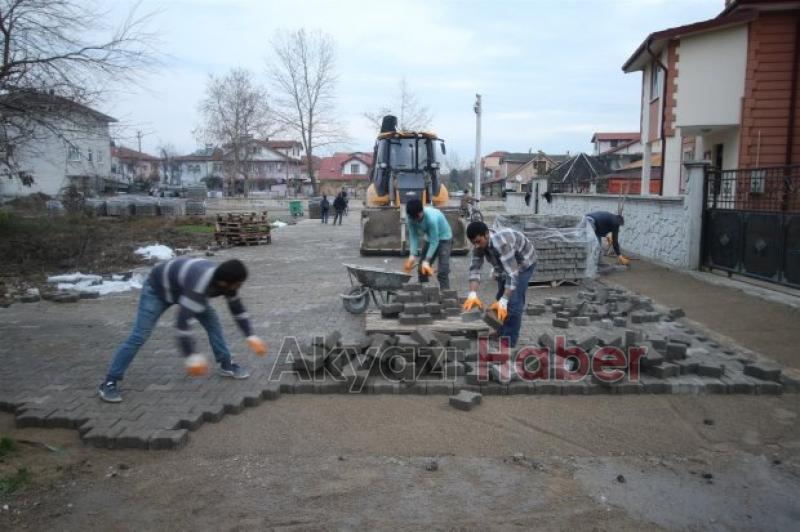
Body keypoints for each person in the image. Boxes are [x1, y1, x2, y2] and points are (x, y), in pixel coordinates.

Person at [98, 258, 267, 403]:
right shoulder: (200, 285)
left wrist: (250, 336)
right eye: (238, 283)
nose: (239, 286)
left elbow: (237, 308)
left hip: (183, 287)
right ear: (224, 283)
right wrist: (191, 356)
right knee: (139, 335)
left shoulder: (226, 282)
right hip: (158, 290)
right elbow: (182, 325)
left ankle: (226, 364)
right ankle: (109, 382)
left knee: (213, 324)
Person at [463, 221, 537, 348]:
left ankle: (509, 340)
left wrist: (505, 299)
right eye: (473, 242)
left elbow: (513, 275)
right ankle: (502, 330)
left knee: (513, 303)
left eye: (478, 241)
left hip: (524, 262)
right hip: (506, 265)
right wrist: (472, 294)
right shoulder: (478, 246)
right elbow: (475, 270)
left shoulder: (501, 243)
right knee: (500, 299)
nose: (476, 245)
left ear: (486, 234)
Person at [403, 198, 453, 289]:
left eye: (417, 217)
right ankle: (424, 292)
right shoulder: (410, 218)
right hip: (430, 238)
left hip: (444, 238)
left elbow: (435, 241)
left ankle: (446, 295)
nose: (415, 220)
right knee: (421, 269)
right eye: (413, 218)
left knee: (443, 271)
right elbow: (413, 236)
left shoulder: (431, 219)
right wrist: (412, 255)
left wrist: (427, 260)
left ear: (421, 212)